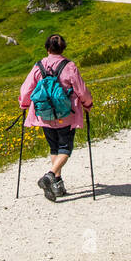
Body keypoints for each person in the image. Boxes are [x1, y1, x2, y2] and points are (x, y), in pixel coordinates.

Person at [19, 33, 93, 202]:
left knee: (54, 148)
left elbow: (26, 90)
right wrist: (87, 104)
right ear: (63, 48)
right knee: (65, 148)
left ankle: (57, 186)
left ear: (47, 48)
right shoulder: (69, 66)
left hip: (45, 115)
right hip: (66, 115)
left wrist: (24, 105)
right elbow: (81, 91)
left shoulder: (38, 66)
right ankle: (50, 176)